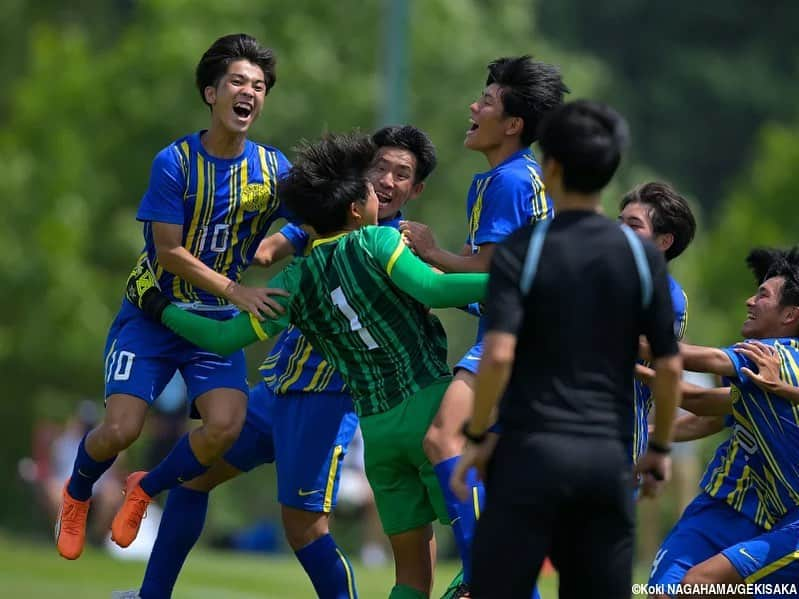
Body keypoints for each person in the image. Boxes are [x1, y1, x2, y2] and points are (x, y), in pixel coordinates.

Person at [126, 131, 489, 599]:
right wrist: (516, 275)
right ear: (356, 205)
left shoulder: (297, 279)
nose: (383, 182)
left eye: (401, 174)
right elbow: (439, 291)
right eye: (376, 172)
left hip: (372, 428)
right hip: (422, 408)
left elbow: (221, 336)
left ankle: (145, 493)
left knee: (401, 569)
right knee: (493, 549)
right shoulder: (381, 243)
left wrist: (156, 303)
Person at [55, 33, 291, 561]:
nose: (248, 91)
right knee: (120, 428)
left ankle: (144, 488)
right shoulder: (175, 163)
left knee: (226, 428)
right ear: (212, 93)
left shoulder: (274, 171)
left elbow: (312, 219)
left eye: (258, 85)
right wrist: (237, 288)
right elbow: (168, 253)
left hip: (214, 325)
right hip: (155, 314)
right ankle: (76, 493)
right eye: (237, 81)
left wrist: (278, 243)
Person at [451, 100, 682, 599]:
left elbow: (498, 355)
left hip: (528, 456)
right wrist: (659, 448)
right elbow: (669, 365)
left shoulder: (524, 248)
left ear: (550, 166)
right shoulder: (642, 258)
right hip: (606, 462)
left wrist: (475, 434)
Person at [399, 55, 568, 594]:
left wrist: (433, 253)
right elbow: (494, 285)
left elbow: (494, 268)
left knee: (443, 438)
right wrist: (435, 287)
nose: (474, 108)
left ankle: (484, 578)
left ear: (513, 124)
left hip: (521, 340)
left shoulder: (510, 181)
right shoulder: (508, 179)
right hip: (527, 336)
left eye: (487, 102)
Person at [647, 247, 799, 595]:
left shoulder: (770, 357)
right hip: (721, 506)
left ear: (789, 315)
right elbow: (705, 412)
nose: (749, 300)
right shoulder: (761, 370)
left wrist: (629, 341)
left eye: (762, 294)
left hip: (772, 521)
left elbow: (699, 363)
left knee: (698, 585)